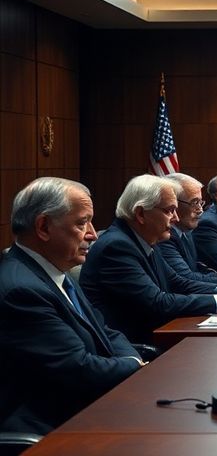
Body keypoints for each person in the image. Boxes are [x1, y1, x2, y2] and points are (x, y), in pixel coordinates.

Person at [0, 178, 143, 434]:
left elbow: (104, 330)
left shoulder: (55, 270)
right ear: (43, 227)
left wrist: (132, 359)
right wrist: (134, 364)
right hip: (56, 427)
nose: (93, 234)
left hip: (91, 407)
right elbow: (79, 370)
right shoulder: (21, 289)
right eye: (81, 223)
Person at [80, 175, 217, 343]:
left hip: (159, 332)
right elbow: (157, 302)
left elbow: (177, 282)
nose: (176, 218)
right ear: (140, 213)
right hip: (134, 345)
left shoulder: (144, 240)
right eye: (169, 211)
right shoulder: (117, 247)